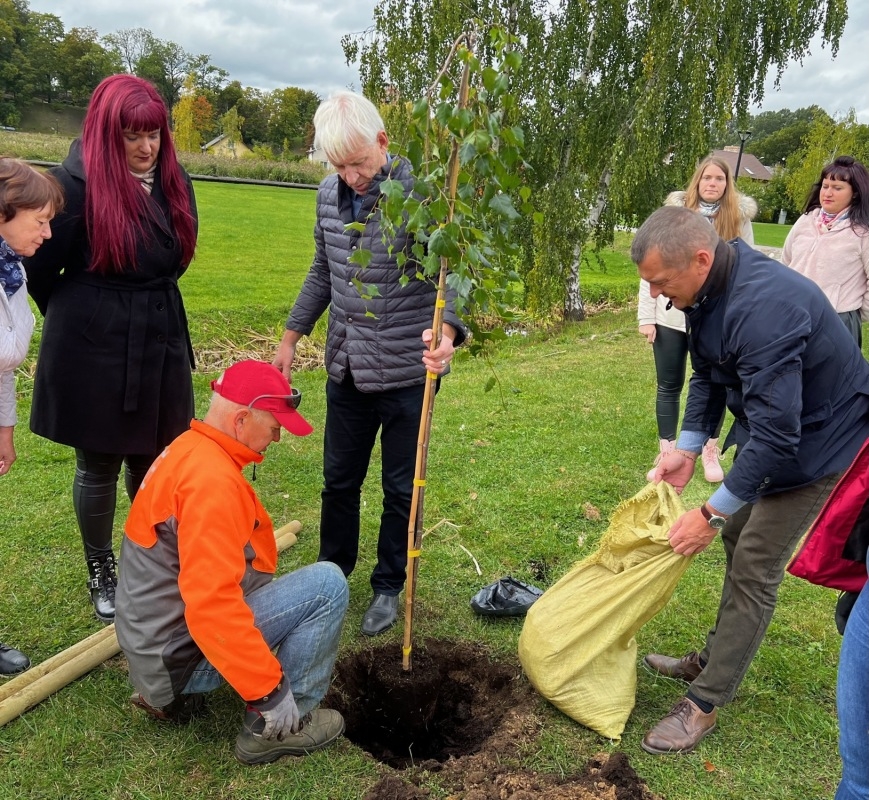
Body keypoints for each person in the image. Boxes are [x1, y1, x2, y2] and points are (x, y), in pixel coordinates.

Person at [631, 205, 869, 755]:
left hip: (823, 440)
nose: (660, 297)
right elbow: (710, 373)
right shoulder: (705, 290)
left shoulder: (766, 309)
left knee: (755, 559)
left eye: (661, 283)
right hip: (779, 430)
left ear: (700, 258)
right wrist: (688, 448)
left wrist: (709, 513)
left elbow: (780, 437)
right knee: (738, 538)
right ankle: (714, 657)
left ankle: (705, 701)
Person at [273, 90, 467, 637]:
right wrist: (292, 337)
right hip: (348, 369)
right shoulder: (327, 197)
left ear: (383, 143)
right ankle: (330, 578)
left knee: (401, 488)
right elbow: (322, 271)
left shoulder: (423, 200)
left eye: (358, 161)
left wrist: (449, 330)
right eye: (338, 165)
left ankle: (388, 585)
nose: (351, 174)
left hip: (409, 372)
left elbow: (453, 277)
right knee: (339, 481)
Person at [24, 74, 198, 624]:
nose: (147, 148)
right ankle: (101, 567)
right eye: (133, 136)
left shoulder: (174, 180)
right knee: (98, 462)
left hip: (160, 334)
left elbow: (177, 255)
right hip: (94, 348)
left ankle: (146, 561)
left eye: (155, 135)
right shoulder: (72, 187)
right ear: (106, 133)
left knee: (155, 460)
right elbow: (35, 268)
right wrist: (87, 317)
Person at [115, 360, 349, 765]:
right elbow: (211, 606)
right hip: (177, 656)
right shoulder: (211, 483)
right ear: (241, 419)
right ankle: (274, 728)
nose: (277, 439)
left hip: (154, 645)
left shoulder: (189, 449)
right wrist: (269, 691)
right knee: (327, 586)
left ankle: (170, 696)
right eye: (275, 427)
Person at [638, 156, 757, 483]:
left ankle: (708, 447)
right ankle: (669, 449)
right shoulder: (675, 216)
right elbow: (651, 267)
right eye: (707, 177)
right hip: (672, 319)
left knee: (716, 378)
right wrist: (647, 317)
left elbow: (746, 266)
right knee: (670, 382)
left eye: (719, 178)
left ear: (726, 184)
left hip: (717, 316)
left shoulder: (737, 219)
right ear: (697, 180)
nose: (713, 183)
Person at [0, 157, 64, 675]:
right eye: (39, 221)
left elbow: (5, 362)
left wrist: (4, 428)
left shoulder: (12, 271)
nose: (48, 233)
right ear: (3, 213)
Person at [782, 155, 869, 348]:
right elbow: (785, 262)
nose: (828, 193)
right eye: (825, 186)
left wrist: (852, 314)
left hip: (837, 321)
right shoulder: (806, 220)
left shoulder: (862, 232)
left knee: (829, 378)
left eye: (837, 188)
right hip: (793, 315)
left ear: (855, 193)